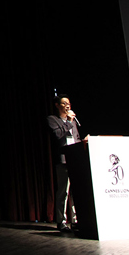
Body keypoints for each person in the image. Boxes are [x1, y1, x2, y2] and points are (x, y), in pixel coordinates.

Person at [47, 96, 88, 231]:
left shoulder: (73, 121)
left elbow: (75, 138)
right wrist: (69, 121)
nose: (67, 106)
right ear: (57, 105)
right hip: (64, 158)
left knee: (77, 191)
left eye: (69, 103)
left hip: (75, 158)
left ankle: (76, 220)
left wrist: (83, 142)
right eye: (64, 103)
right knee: (63, 191)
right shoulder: (53, 119)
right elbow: (59, 135)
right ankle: (61, 221)